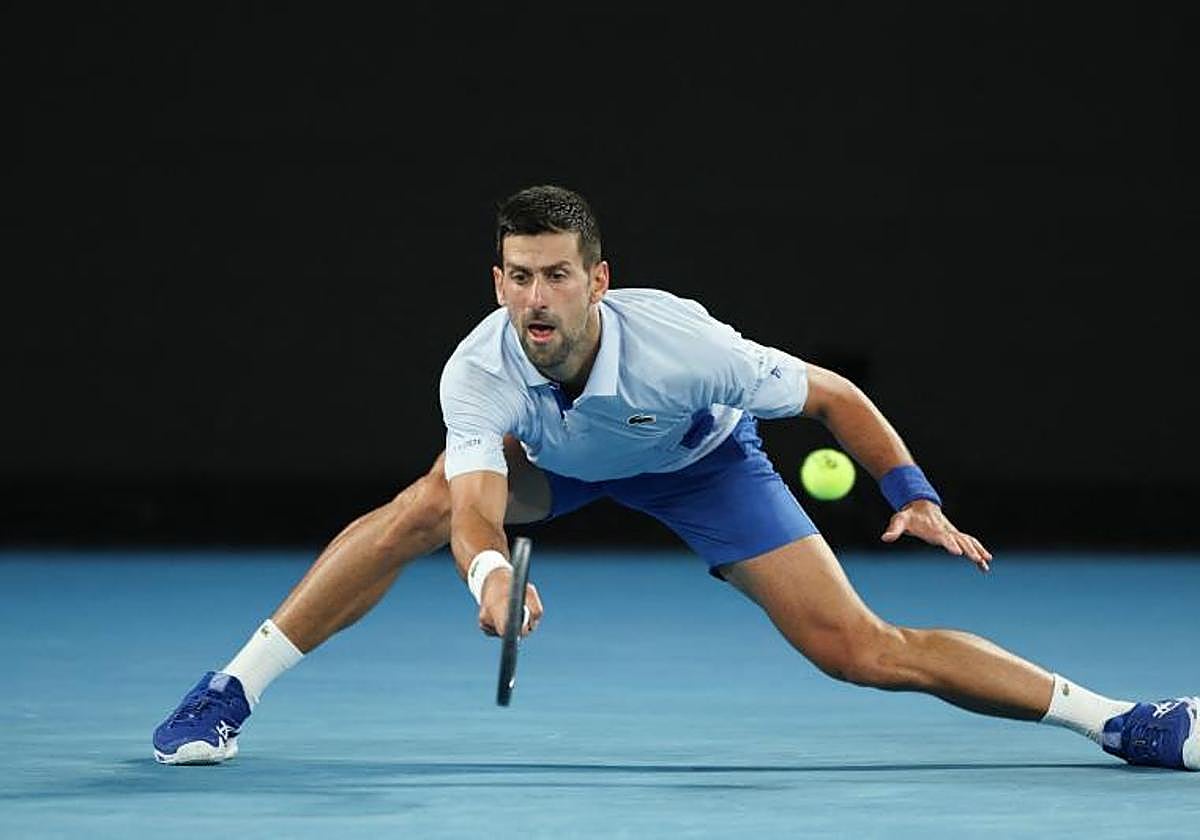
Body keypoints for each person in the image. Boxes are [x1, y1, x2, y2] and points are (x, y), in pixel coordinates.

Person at [152, 184, 1197, 771]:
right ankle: (228, 691)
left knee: (858, 650)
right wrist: (490, 577)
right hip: (554, 466)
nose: (537, 298)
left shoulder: (687, 349)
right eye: (519, 276)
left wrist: (909, 493)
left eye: (558, 274)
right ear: (498, 280)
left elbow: (834, 396)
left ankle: (1123, 720)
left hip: (702, 467)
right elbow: (473, 509)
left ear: (597, 279)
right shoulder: (477, 369)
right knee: (415, 510)